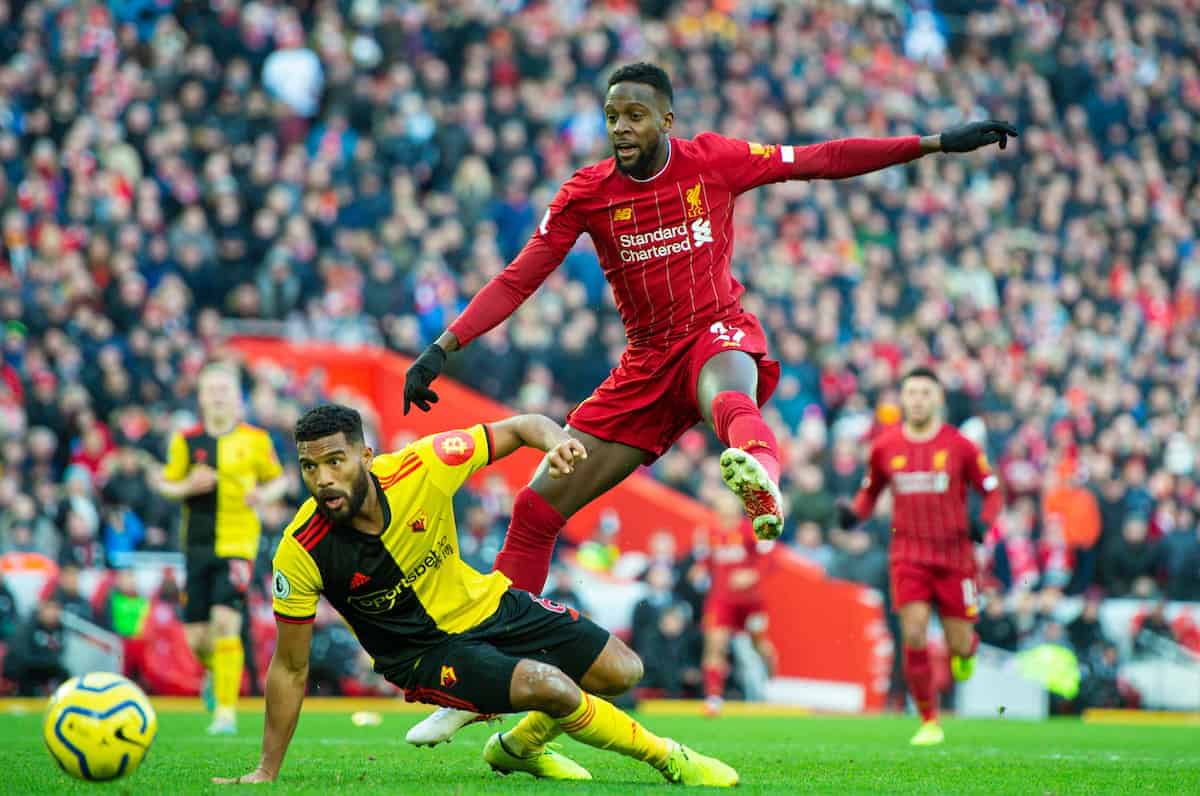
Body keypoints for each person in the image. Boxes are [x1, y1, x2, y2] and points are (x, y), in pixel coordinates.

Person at [403, 61, 1014, 744]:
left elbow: (821, 159)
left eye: (634, 115)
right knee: (535, 507)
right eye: (611, 116)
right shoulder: (587, 194)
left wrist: (931, 143)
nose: (620, 128)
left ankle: (763, 480)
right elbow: (520, 278)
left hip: (713, 333)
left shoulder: (715, 161)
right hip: (642, 370)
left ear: (666, 119)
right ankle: (486, 683)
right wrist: (443, 347)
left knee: (727, 386)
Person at [213, 404, 737, 786]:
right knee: (549, 685)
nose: (323, 479)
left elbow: (520, 426)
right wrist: (265, 771)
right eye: (310, 467)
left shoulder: (423, 466)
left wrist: (556, 442)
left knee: (623, 671)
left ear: (366, 456)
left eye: (335, 462)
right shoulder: (301, 551)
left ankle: (518, 747)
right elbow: (289, 668)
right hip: (422, 654)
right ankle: (669, 758)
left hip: (488, 604)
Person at [838, 367, 1002, 746]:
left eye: (925, 393)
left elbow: (991, 492)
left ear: (938, 398)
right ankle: (929, 720)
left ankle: (967, 650)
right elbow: (870, 492)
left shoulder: (960, 446)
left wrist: (984, 521)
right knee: (912, 632)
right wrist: (854, 515)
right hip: (908, 555)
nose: (917, 399)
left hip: (955, 559)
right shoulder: (885, 447)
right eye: (911, 393)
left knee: (959, 643)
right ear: (903, 399)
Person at [153, 362, 289, 735]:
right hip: (196, 546)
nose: (217, 396)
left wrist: (263, 494)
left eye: (224, 389)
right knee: (197, 638)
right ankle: (216, 675)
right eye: (210, 389)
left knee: (226, 623)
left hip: (238, 544)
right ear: (200, 396)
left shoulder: (256, 440)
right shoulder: (186, 440)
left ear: (236, 398)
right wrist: (187, 487)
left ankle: (226, 713)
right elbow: (167, 484)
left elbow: (279, 482)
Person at [701, 491, 776, 717]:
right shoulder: (710, 533)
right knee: (715, 644)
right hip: (721, 599)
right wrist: (700, 570)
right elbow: (708, 561)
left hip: (750, 601)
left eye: (727, 508)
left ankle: (771, 672)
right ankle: (713, 698)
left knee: (758, 644)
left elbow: (769, 559)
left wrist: (751, 575)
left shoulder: (749, 529)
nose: (723, 513)